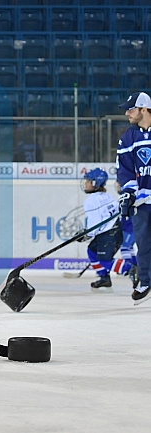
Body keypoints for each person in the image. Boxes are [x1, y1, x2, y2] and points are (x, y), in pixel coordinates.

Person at [117, 91, 151, 304]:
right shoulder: (129, 137)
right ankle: (146, 280)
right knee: (143, 243)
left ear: (144, 109)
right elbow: (125, 170)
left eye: (131, 109)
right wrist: (129, 193)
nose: (127, 113)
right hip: (143, 203)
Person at [78, 168, 133, 293]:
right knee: (92, 251)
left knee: (105, 260)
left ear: (95, 183)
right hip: (113, 232)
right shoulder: (106, 195)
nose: (85, 183)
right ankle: (104, 278)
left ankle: (134, 271)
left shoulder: (91, 201)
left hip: (109, 235)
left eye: (88, 181)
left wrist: (86, 235)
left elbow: (95, 224)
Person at [115, 181, 139, 289]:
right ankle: (135, 266)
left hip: (130, 228)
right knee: (129, 248)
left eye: (119, 184)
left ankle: (130, 267)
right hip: (130, 228)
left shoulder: (128, 197)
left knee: (125, 247)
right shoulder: (125, 197)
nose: (118, 187)